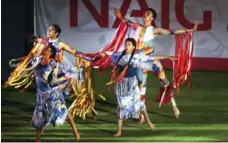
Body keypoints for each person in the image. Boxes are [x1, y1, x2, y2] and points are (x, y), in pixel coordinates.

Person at [113, 8, 198, 122]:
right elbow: (127, 22)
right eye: (145, 13)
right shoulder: (138, 27)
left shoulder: (154, 30)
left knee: (164, 82)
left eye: (148, 14)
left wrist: (189, 30)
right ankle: (141, 115)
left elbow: (171, 31)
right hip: (141, 61)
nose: (145, 15)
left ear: (152, 18)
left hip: (151, 60)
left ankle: (174, 105)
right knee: (141, 87)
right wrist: (119, 16)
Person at [108, 38, 178, 136]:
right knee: (121, 106)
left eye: (129, 44)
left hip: (132, 84)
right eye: (126, 44)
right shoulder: (120, 56)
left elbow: (151, 58)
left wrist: (167, 57)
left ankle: (149, 122)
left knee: (140, 104)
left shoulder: (137, 56)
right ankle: (119, 131)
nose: (126, 46)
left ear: (133, 47)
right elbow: (107, 56)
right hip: (121, 85)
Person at [29, 46, 80, 142]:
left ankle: (75, 131)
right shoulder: (37, 59)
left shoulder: (52, 63)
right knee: (40, 115)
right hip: (41, 94)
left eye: (47, 49)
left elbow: (54, 80)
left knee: (63, 112)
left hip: (52, 93)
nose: (44, 49)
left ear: (50, 53)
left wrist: (64, 82)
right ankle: (38, 138)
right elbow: (32, 69)